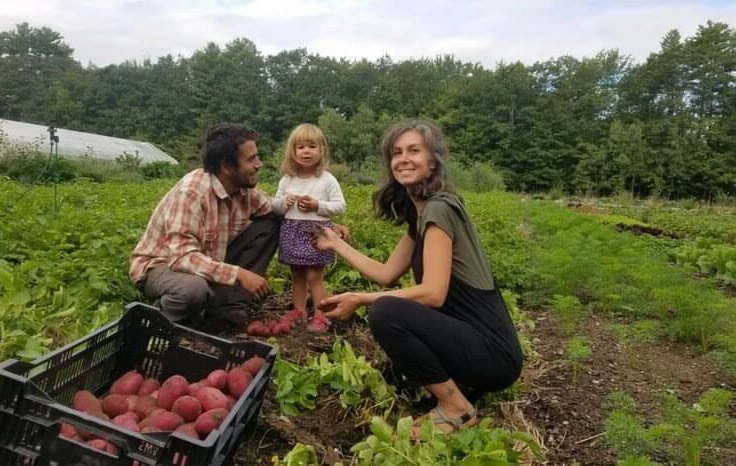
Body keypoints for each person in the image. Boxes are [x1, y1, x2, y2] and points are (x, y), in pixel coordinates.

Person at [313, 119, 523, 438]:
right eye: (396, 152)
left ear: (433, 161)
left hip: (493, 356)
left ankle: (457, 409)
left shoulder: (439, 209)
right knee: (392, 330)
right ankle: (461, 388)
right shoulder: (422, 214)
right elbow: (386, 274)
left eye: (414, 150)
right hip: (479, 346)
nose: (403, 158)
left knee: (385, 312)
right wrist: (336, 243)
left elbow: (433, 294)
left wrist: (360, 299)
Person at [129, 123, 278, 325]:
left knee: (272, 223)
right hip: (162, 265)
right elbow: (182, 258)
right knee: (193, 290)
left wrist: (325, 224)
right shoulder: (193, 193)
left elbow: (275, 208)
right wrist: (239, 274)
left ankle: (225, 306)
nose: (259, 164)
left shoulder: (244, 189)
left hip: (207, 260)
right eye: (251, 159)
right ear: (226, 167)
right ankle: (157, 325)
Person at [271, 123, 346, 333]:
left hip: (317, 235)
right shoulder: (287, 180)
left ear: (321, 150)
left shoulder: (327, 179)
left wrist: (317, 206)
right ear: (293, 152)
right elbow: (274, 206)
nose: (306, 151)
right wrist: (285, 201)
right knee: (297, 275)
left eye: (312, 146)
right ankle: (299, 312)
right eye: (301, 147)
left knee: (315, 276)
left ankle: (322, 316)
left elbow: (340, 206)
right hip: (292, 233)